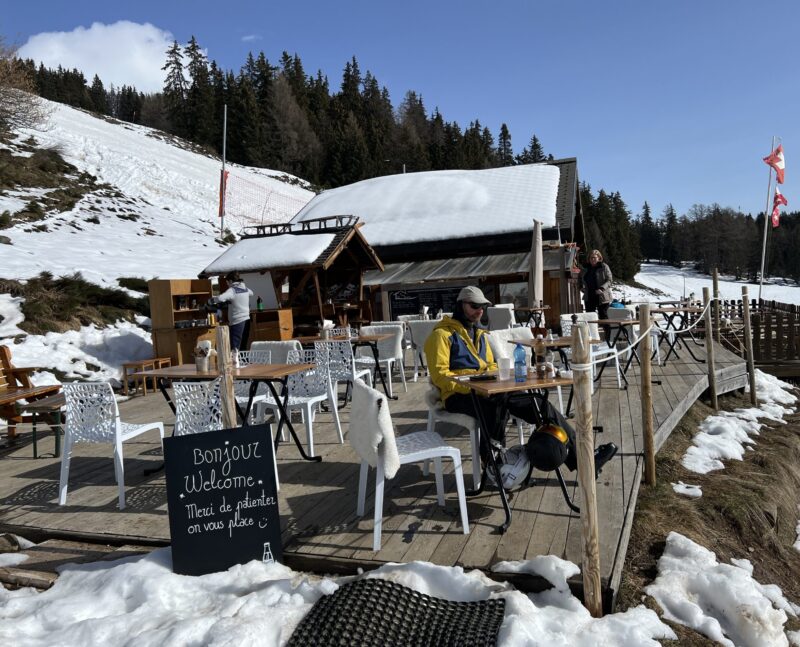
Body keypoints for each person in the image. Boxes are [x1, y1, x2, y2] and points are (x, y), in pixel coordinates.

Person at [424, 285, 616, 479]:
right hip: (457, 396)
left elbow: (490, 365)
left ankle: (583, 460)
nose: (479, 311)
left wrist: (495, 378)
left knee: (539, 404)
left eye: (482, 307)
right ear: (460, 305)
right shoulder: (441, 335)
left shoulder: (481, 335)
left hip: (489, 390)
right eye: (474, 306)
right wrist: (474, 385)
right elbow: (440, 376)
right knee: (495, 407)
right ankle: (493, 464)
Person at [211, 272, 253, 352]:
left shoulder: (232, 290)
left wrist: (212, 300)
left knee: (235, 347)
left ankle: (236, 363)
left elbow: (220, 298)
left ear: (230, 281)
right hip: (247, 320)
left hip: (237, 322)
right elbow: (251, 293)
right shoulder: (244, 288)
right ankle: (244, 363)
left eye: (227, 282)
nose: (227, 285)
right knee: (243, 345)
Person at [583, 249, 613, 320]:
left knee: (604, 316)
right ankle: (592, 331)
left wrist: (602, 289)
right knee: (590, 317)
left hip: (602, 295)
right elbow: (581, 279)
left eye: (594, 257)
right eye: (591, 257)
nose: (593, 259)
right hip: (589, 296)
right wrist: (581, 287)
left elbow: (609, 280)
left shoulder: (604, 267)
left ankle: (607, 331)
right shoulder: (586, 268)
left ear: (599, 258)